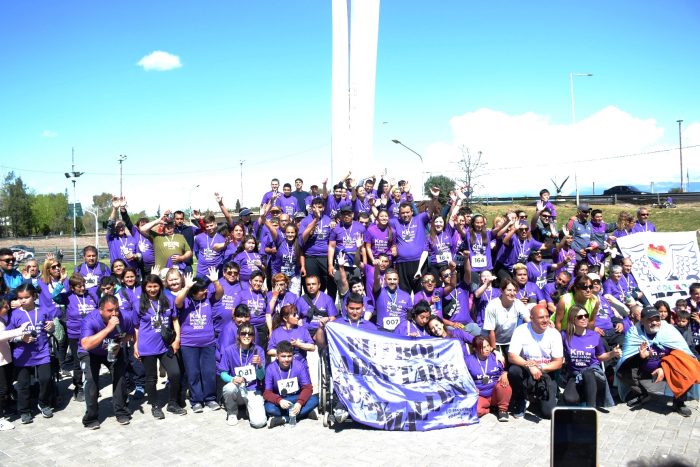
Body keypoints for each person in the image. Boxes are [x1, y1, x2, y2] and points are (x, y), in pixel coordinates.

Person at [616, 306, 700, 417]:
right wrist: (640, 357)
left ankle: (679, 402)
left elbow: (680, 355)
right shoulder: (634, 333)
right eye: (650, 320)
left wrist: (664, 369)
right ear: (642, 320)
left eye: (657, 319)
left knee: (687, 370)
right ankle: (642, 394)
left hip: (666, 369)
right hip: (643, 369)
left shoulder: (669, 331)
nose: (654, 322)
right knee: (622, 371)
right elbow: (626, 358)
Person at [133, 274, 186, 419]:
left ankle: (172, 403)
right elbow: (136, 327)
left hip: (165, 345)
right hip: (147, 346)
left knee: (175, 373)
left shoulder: (168, 300)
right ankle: (155, 406)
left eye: (155, 286)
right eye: (149, 286)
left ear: (160, 286)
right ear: (144, 287)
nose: (152, 289)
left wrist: (177, 339)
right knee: (151, 378)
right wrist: (136, 345)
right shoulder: (139, 303)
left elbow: (175, 320)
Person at [79, 294, 134, 429]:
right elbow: (86, 344)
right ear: (100, 310)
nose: (114, 314)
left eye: (116, 309)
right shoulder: (90, 320)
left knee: (120, 377)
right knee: (91, 382)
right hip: (90, 352)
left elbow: (129, 334)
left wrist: (120, 344)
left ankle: (121, 411)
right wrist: (108, 328)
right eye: (110, 310)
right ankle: (90, 418)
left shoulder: (125, 317)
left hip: (111, 350)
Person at [6, 284, 55, 424]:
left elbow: (50, 328)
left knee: (46, 379)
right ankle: (24, 410)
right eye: (20, 298)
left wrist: (51, 327)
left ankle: (43, 403)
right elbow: (8, 336)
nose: (23, 301)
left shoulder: (43, 310)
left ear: (34, 296)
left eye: (27, 297)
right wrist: (21, 338)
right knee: (23, 385)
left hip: (42, 352)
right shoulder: (15, 314)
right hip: (22, 355)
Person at [175, 269, 223, 413]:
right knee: (193, 372)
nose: (205, 292)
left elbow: (220, 293)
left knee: (208, 371)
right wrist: (187, 287)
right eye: (201, 290)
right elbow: (177, 301)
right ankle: (196, 400)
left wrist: (215, 281)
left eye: (205, 289)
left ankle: (210, 398)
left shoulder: (208, 299)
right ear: (194, 292)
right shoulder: (186, 301)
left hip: (208, 342)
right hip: (189, 344)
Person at [507, 305, 563, 419]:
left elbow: (558, 362)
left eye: (547, 317)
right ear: (531, 318)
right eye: (541, 317)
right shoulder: (521, 330)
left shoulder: (554, 334)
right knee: (514, 370)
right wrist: (530, 366)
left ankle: (545, 394)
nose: (546, 320)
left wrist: (540, 367)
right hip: (527, 371)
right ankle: (521, 399)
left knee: (548, 413)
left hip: (546, 372)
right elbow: (512, 356)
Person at [561, 305, 620, 408]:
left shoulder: (594, 336)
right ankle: (588, 395)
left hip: (595, 374)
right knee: (569, 398)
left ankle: (590, 409)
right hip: (576, 375)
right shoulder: (565, 335)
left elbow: (600, 356)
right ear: (572, 319)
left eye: (586, 315)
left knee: (588, 373)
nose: (584, 318)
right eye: (580, 317)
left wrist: (612, 353)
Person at [52, 273, 98, 402]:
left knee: (93, 361)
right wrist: (61, 282)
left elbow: (99, 305)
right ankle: (78, 388)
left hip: (91, 334)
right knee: (78, 363)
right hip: (75, 335)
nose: (82, 288)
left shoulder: (90, 294)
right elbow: (54, 296)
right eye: (78, 286)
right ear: (72, 287)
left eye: (83, 285)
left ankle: (91, 386)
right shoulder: (68, 297)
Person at [388, 190, 439, 293]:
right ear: (399, 214)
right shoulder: (395, 222)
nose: (405, 215)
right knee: (404, 292)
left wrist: (435, 198)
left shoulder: (419, 219)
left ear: (412, 211)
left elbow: (431, 211)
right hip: (402, 263)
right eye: (402, 213)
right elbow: (381, 218)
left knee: (421, 292)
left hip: (419, 262)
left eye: (407, 212)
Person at [219, 323, 266, 427]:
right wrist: (232, 379)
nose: (246, 336)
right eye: (243, 333)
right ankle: (232, 413)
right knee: (229, 388)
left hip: (253, 389)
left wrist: (259, 365)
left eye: (250, 334)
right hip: (237, 388)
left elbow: (261, 377)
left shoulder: (258, 350)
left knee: (259, 423)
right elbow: (222, 373)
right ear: (238, 335)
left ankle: (249, 409)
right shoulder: (229, 350)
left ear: (253, 336)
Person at [263, 340, 319, 428]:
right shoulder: (270, 368)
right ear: (277, 356)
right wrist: (279, 400)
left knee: (315, 399)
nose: (286, 359)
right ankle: (305, 413)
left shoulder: (299, 365)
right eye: (283, 356)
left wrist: (300, 403)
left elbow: (308, 387)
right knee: (269, 408)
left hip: (296, 397)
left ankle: (283, 419)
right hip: (281, 400)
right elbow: (267, 393)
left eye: (289, 356)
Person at [464, 335, 510, 421]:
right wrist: (470, 387)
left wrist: (505, 373)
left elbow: (505, 369)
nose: (487, 349)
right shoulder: (468, 360)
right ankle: (490, 410)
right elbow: (463, 377)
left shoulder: (495, 357)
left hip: (495, 393)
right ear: (475, 349)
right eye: (483, 347)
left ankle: (503, 410)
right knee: (475, 411)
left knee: (504, 384)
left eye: (488, 346)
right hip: (480, 395)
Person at [482, 278, 530, 356]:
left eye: (514, 290)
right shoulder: (492, 306)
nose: (512, 293)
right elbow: (491, 331)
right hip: (492, 341)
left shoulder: (518, 303)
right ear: (501, 290)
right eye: (509, 290)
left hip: (510, 341)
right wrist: (494, 350)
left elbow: (529, 320)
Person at [0, 298, 28, 430]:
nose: (8, 307)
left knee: (7, 386)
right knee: (2, 389)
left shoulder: (3, 319)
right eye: (5, 306)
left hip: (5, 358)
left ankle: (5, 409)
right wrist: (20, 330)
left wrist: (18, 336)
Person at [299, 197, 335, 298]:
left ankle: (327, 304)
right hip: (310, 256)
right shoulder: (306, 220)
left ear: (323, 208)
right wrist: (316, 220)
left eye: (320, 207)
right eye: (315, 207)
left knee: (328, 281)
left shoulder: (328, 220)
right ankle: (311, 305)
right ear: (311, 208)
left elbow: (332, 241)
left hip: (325, 256)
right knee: (311, 282)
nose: (317, 209)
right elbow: (302, 240)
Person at [295, 275, 337, 343]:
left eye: (313, 284)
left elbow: (333, 318)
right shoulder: (301, 300)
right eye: (308, 284)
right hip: (305, 331)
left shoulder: (327, 299)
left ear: (319, 285)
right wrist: (298, 322)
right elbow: (296, 317)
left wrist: (327, 319)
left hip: (321, 330)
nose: (311, 286)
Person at [373, 266, 413, 332]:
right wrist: (377, 268)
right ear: (385, 280)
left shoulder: (406, 295)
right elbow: (376, 280)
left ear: (398, 280)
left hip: (401, 332)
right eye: (389, 279)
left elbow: (410, 315)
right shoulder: (379, 292)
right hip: (382, 331)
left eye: (395, 279)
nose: (392, 282)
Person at [193, 214, 227, 279]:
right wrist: (203, 261)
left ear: (215, 224)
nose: (209, 228)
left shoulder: (222, 239)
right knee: (200, 289)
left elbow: (223, 255)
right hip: (201, 272)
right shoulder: (199, 237)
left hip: (216, 272)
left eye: (211, 225)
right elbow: (196, 252)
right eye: (207, 226)